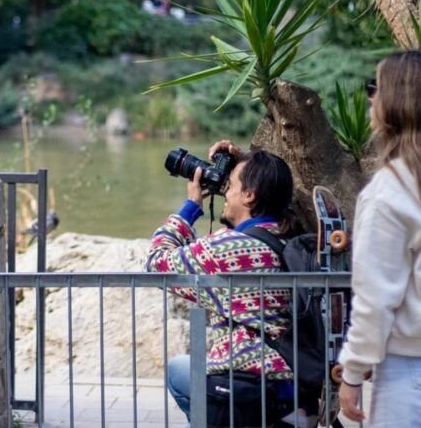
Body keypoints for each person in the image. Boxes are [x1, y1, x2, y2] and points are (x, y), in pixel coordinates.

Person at [147, 142, 303, 425]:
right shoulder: (291, 235)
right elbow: (275, 190)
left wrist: (190, 208)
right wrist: (246, 162)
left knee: (177, 370)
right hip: (296, 381)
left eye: (229, 185)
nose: (225, 192)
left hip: (252, 382)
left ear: (250, 195)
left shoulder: (229, 249)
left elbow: (157, 263)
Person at [338, 51, 421, 426]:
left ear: (394, 105)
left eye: (377, 88)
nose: (371, 98)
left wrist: (352, 372)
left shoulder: (390, 191)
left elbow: (375, 299)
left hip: (408, 373)